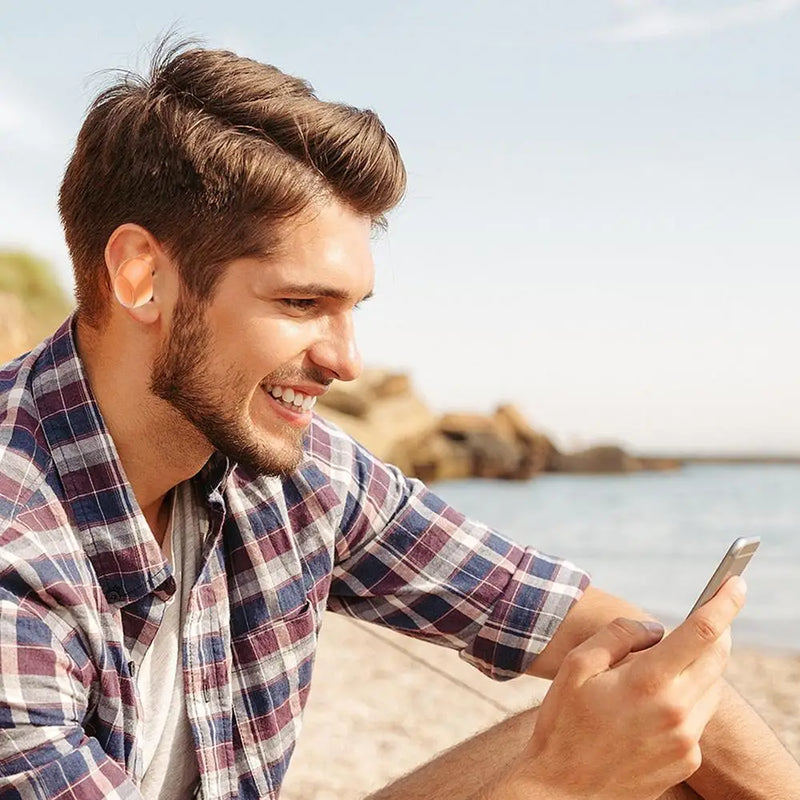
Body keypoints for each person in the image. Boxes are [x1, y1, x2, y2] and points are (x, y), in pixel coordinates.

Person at [0, 42, 797, 800]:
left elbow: (569, 620)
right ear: (142, 277)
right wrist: (557, 782)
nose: (346, 362)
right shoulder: (17, 549)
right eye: (301, 304)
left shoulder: (288, 471)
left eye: (350, 310)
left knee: (660, 696)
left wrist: (655, 700)